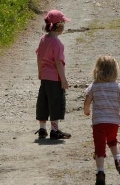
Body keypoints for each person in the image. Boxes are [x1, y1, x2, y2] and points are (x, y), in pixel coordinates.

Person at [84, 55, 120, 185]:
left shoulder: (94, 86)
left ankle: (100, 172)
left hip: (99, 123)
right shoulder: (117, 86)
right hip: (113, 123)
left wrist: (86, 110)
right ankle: (118, 160)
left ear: (97, 70)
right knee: (112, 140)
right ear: (115, 71)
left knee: (99, 148)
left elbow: (87, 100)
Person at [35, 9, 72, 140]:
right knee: (55, 102)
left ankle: (42, 129)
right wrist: (63, 79)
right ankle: (55, 131)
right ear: (59, 26)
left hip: (44, 77)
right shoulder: (57, 44)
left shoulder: (43, 39)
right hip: (55, 78)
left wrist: (40, 72)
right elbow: (58, 63)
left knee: (43, 102)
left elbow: (39, 58)